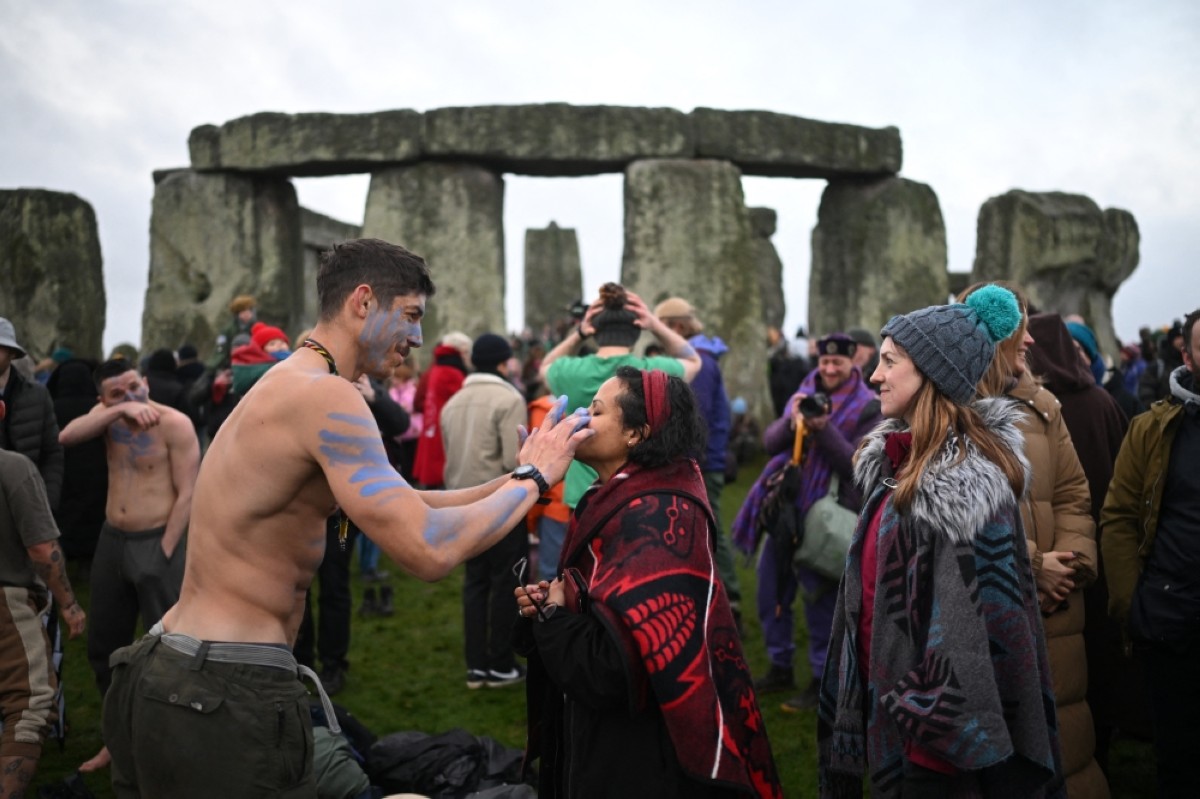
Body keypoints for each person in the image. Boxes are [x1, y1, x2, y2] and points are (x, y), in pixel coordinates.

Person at [100, 238, 590, 798]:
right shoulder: (328, 398)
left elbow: (410, 503)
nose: (418, 338)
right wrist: (535, 481)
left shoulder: (290, 383)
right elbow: (426, 548)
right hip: (219, 691)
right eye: (410, 315)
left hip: (174, 669)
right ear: (363, 301)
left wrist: (519, 475)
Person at [818, 285, 1063, 797]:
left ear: (931, 371)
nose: (874, 375)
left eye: (889, 362)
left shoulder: (968, 493)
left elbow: (979, 635)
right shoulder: (895, 465)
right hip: (890, 712)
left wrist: (927, 744)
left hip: (933, 755)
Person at [514, 366, 783, 798]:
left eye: (597, 411)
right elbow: (606, 607)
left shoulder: (656, 519)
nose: (581, 417)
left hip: (640, 759)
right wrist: (556, 603)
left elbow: (613, 672)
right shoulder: (619, 499)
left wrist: (553, 618)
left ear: (636, 433)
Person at [961, 285, 1106, 797]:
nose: (1029, 340)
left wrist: (1069, 565)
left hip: (1058, 605)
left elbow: (1072, 495)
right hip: (997, 605)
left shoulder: (1046, 407)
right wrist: (1030, 565)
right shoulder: (954, 414)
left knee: (1069, 741)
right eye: (1018, 329)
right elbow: (960, 520)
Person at [58, 357, 201, 773]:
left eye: (135, 387)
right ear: (102, 399)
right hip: (112, 540)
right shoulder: (108, 419)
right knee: (104, 647)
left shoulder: (174, 423)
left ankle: (175, 741)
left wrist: (165, 553)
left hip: (158, 542)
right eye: (116, 393)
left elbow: (188, 494)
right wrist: (117, 410)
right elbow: (66, 436)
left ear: (146, 380)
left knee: (171, 649)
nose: (132, 396)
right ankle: (116, 741)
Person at [732, 333, 881, 711]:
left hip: (827, 513)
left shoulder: (869, 407)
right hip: (787, 509)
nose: (829, 369)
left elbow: (856, 466)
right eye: (825, 363)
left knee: (819, 599)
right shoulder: (804, 391)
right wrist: (794, 420)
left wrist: (823, 428)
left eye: (838, 364)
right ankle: (780, 665)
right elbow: (771, 442)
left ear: (853, 365)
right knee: (770, 590)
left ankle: (820, 679)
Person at [1027, 313, 1145, 775]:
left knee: (1062, 670)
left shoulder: (1041, 409)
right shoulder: (1100, 402)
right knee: (1096, 658)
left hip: (1050, 560)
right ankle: (1103, 746)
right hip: (1094, 554)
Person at [1101, 307, 1200, 798]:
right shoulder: (1152, 429)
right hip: (1171, 617)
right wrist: (1132, 603)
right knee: (1178, 759)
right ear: (1187, 353)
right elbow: (1118, 515)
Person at [539, 282, 701, 516]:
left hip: (580, 491)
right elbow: (694, 361)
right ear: (636, 331)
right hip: (633, 487)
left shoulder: (570, 372)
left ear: (595, 331)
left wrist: (579, 334)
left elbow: (545, 365)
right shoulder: (650, 372)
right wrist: (654, 325)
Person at [440, 333, 529, 689]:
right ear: (505, 362)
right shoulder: (509, 398)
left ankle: (476, 666)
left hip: (461, 503)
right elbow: (515, 459)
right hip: (501, 501)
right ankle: (501, 663)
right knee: (506, 582)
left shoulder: (453, 402)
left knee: (475, 584)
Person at [0, 448, 87, 798]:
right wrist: (69, 604)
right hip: (7, 602)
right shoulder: (12, 467)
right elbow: (41, 548)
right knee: (31, 705)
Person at [654, 296, 744, 626]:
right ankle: (708, 593)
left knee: (710, 532)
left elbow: (695, 418)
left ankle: (728, 598)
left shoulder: (700, 363)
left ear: (676, 327)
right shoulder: (699, 358)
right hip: (701, 459)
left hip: (701, 462)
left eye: (660, 327)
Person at [0, 317, 64, 510]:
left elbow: (52, 452)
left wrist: (46, 500)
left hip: (27, 506)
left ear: (11, 353)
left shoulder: (37, 395)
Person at [411, 331, 471, 489]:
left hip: (432, 432)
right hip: (443, 439)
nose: (467, 357)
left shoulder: (437, 369)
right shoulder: (452, 373)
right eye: (465, 352)